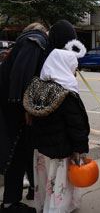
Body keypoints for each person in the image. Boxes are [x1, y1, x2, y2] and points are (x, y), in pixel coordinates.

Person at [22, 19, 89, 213]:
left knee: (45, 184)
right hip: (61, 152)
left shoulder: (39, 86)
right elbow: (77, 126)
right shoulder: (68, 94)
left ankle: (44, 207)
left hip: (42, 150)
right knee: (59, 186)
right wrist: (80, 149)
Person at [0, 22, 49, 213]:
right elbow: (22, 75)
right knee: (16, 152)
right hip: (14, 108)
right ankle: (10, 204)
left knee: (27, 149)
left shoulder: (25, 43)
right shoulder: (35, 41)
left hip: (11, 105)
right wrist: (26, 107)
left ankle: (28, 192)